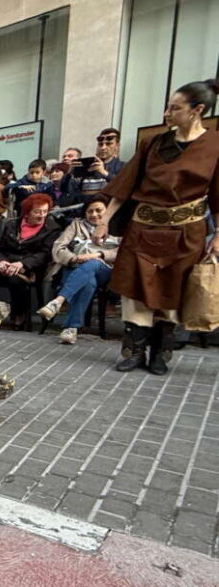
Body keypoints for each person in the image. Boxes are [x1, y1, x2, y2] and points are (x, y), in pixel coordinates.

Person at [97, 79, 219, 374]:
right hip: (143, 228)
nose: (167, 113)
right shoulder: (152, 143)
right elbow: (127, 184)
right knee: (135, 289)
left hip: (187, 232)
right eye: (167, 107)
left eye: (175, 108)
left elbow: (218, 194)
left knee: (173, 290)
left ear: (197, 110)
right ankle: (134, 350)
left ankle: (160, 354)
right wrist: (105, 218)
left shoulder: (214, 145)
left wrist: (218, 238)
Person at [37, 195, 119, 344]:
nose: (94, 215)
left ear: (107, 211)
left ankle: (58, 301)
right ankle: (71, 329)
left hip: (105, 269)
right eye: (90, 211)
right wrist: (74, 258)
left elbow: (123, 251)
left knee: (93, 263)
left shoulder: (116, 226)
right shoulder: (76, 225)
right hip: (75, 266)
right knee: (88, 283)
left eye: (99, 210)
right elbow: (58, 247)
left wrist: (99, 254)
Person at [0, 193, 61, 328]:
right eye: (37, 211)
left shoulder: (52, 228)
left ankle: (18, 315)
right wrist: (0, 261)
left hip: (30, 269)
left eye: (45, 211)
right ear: (27, 212)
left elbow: (44, 254)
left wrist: (22, 264)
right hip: (7, 263)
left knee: (15, 280)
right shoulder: (11, 225)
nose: (42, 215)